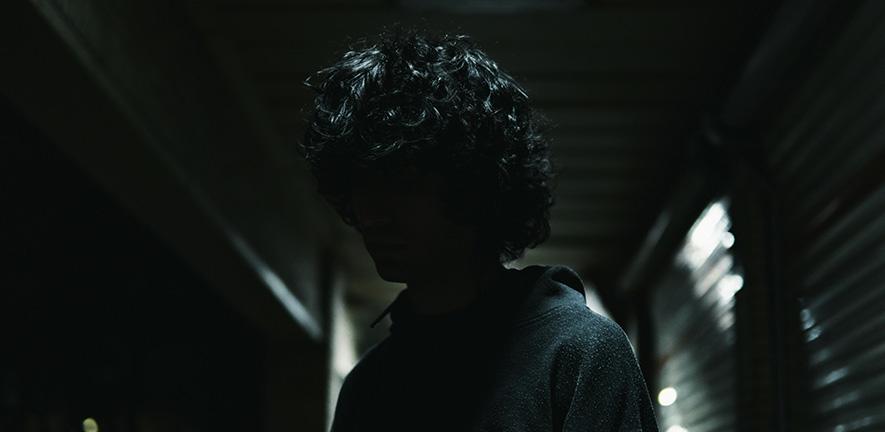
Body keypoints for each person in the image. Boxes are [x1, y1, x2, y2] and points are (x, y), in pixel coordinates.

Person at [297, 26, 659, 432]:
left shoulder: (577, 351)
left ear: (472, 188)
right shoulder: (367, 388)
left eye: (404, 185)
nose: (373, 214)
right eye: (362, 186)